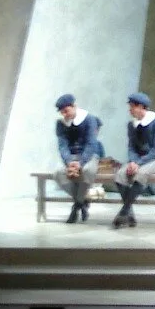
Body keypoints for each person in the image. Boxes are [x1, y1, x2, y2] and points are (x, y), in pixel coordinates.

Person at [113, 92, 155, 228]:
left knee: (141, 174)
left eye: (132, 107)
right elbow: (131, 147)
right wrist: (133, 161)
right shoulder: (131, 125)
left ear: (141, 107)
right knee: (120, 175)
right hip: (137, 160)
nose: (130, 110)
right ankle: (130, 214)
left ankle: (124, 211)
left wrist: (138, 163)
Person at [53, 94, 102, 224]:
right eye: (62, 112)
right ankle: (82, 201)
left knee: (88, 171)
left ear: (74, 106)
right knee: (58, 173)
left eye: (66, 111)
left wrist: (80, 162)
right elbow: (62, 145)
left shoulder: (89, 119)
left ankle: (76, 207)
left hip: (88, 156)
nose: (64, 114)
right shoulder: (60, 124)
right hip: (70, 157)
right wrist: (69, 162)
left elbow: (91, 143)